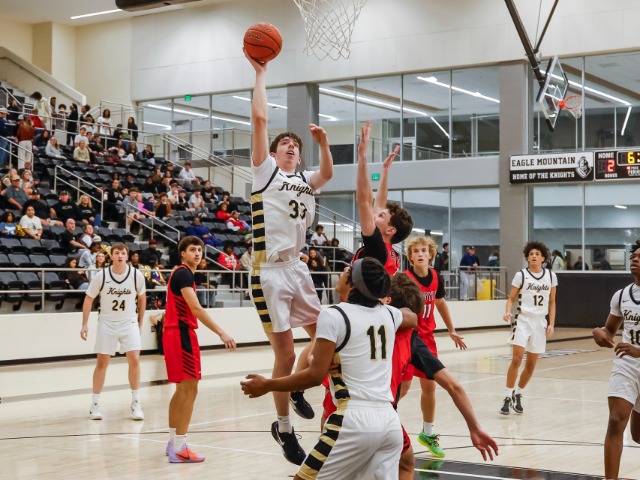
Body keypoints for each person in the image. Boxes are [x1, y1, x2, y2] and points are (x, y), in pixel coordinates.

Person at [245, 48, 334, 465]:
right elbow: (260, 119)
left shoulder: (304, 179)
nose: (290, 148)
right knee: (283, 354)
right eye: (285, 144)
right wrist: (261, 74)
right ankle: (283, 429)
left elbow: (327, 173)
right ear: (273, 152)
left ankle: (297, 385)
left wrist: (324, 143)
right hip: (269, 271)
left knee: (325, 335)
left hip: (297, 268)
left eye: (295, 146)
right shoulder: (265, 172)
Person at [241, 257, 404, 479]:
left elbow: (315, 376)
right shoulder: (391, 314)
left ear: (353, 283)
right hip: (390, 422)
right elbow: (412, 317)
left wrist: (268, 385)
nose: (343, 271)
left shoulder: (334, 315)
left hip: (353, 420)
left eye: (348, 270)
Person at [385, 273, 498, 479]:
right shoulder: (409, 338)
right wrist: (475, 427)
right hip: (383, 415)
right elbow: (454, 386)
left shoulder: (361, 322)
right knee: (405, 464)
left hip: (346, 411)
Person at [163, 236, 236, 462]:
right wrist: (221, 332)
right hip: (181, 334)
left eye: (199, 250)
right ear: (182, 253)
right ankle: (179, 447)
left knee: (182, 390)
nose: (197, 253)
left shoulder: (181, 274)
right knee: (190, 389)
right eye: (192, 250)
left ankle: (173, 442)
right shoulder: (184, 274)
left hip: (175, 334)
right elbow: (195, 308)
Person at [402, 236, 468, 459]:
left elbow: (439, 302)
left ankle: (428, 433)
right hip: (407, 338)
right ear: (410, 257)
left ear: (431, 255)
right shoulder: (405, 279)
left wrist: (451, 330)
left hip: (427, 339)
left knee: (430, 387)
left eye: (424, 250)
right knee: (403, 387)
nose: (420, 254)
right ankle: (380, 422)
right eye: (416, 251)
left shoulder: (436, 277)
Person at [80, 243, 146, 421]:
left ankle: (136, 402)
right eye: (117, 253)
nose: (120, 255)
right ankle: (95, 404)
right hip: (107, 323)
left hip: (129, 322)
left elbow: (142, 299)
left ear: (127, 256)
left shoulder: (136, 275)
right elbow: (88, 299)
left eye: (123, 253)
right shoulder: (101, 276)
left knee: (134, 359)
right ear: (111, 256)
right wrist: (85, 324)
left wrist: (140, 323)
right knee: (102, 363)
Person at [592, 239, 640, 480]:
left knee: (638, 435)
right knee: (615, 421)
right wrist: (599, 333)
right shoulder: (622, 295)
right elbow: (609, 330)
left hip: (636, 355)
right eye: (633, 257)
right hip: (626, 365)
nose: (635, 260)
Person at [500, 241, 557, 415]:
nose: (533, 256)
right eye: (531, 254)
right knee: (517, 359)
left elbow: (552, 302)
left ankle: (518, 393)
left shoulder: (551, 276)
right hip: (523, 320)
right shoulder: (521, 275)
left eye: (537, 254)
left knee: (531, 365)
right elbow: (511, 298)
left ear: (543, 258)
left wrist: (551, 323)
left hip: (540, 322)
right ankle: (507, 396)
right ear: (527, 258)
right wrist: (508, 311)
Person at [353, 120, 413, 276]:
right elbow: (379, 202)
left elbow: (364, 201)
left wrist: (362, 156)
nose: (375, 214)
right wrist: (385, 170)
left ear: (390, 230)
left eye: (380, 216)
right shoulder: (389, 252)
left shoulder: (376, 248)